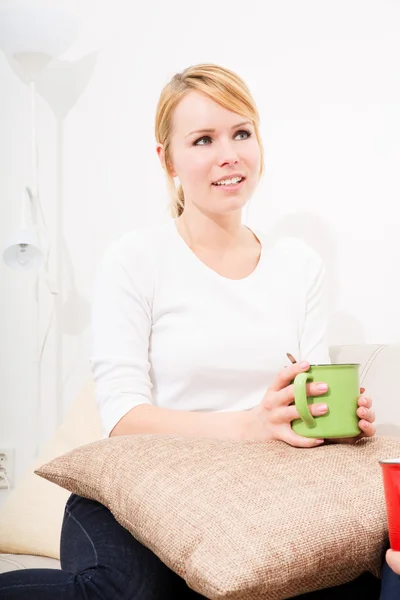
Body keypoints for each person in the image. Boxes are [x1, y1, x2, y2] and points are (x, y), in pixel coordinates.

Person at [0, 63, 380, 600]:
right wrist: (248, 425)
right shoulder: (135, 260)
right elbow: (124, 420)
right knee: (124, 592)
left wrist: (337, 422)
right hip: (141, 491)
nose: (229, 154)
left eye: (241, 133)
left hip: (253, 501)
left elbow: (304, 398)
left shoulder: (300, 265)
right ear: (168, 159)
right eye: (203, 139)